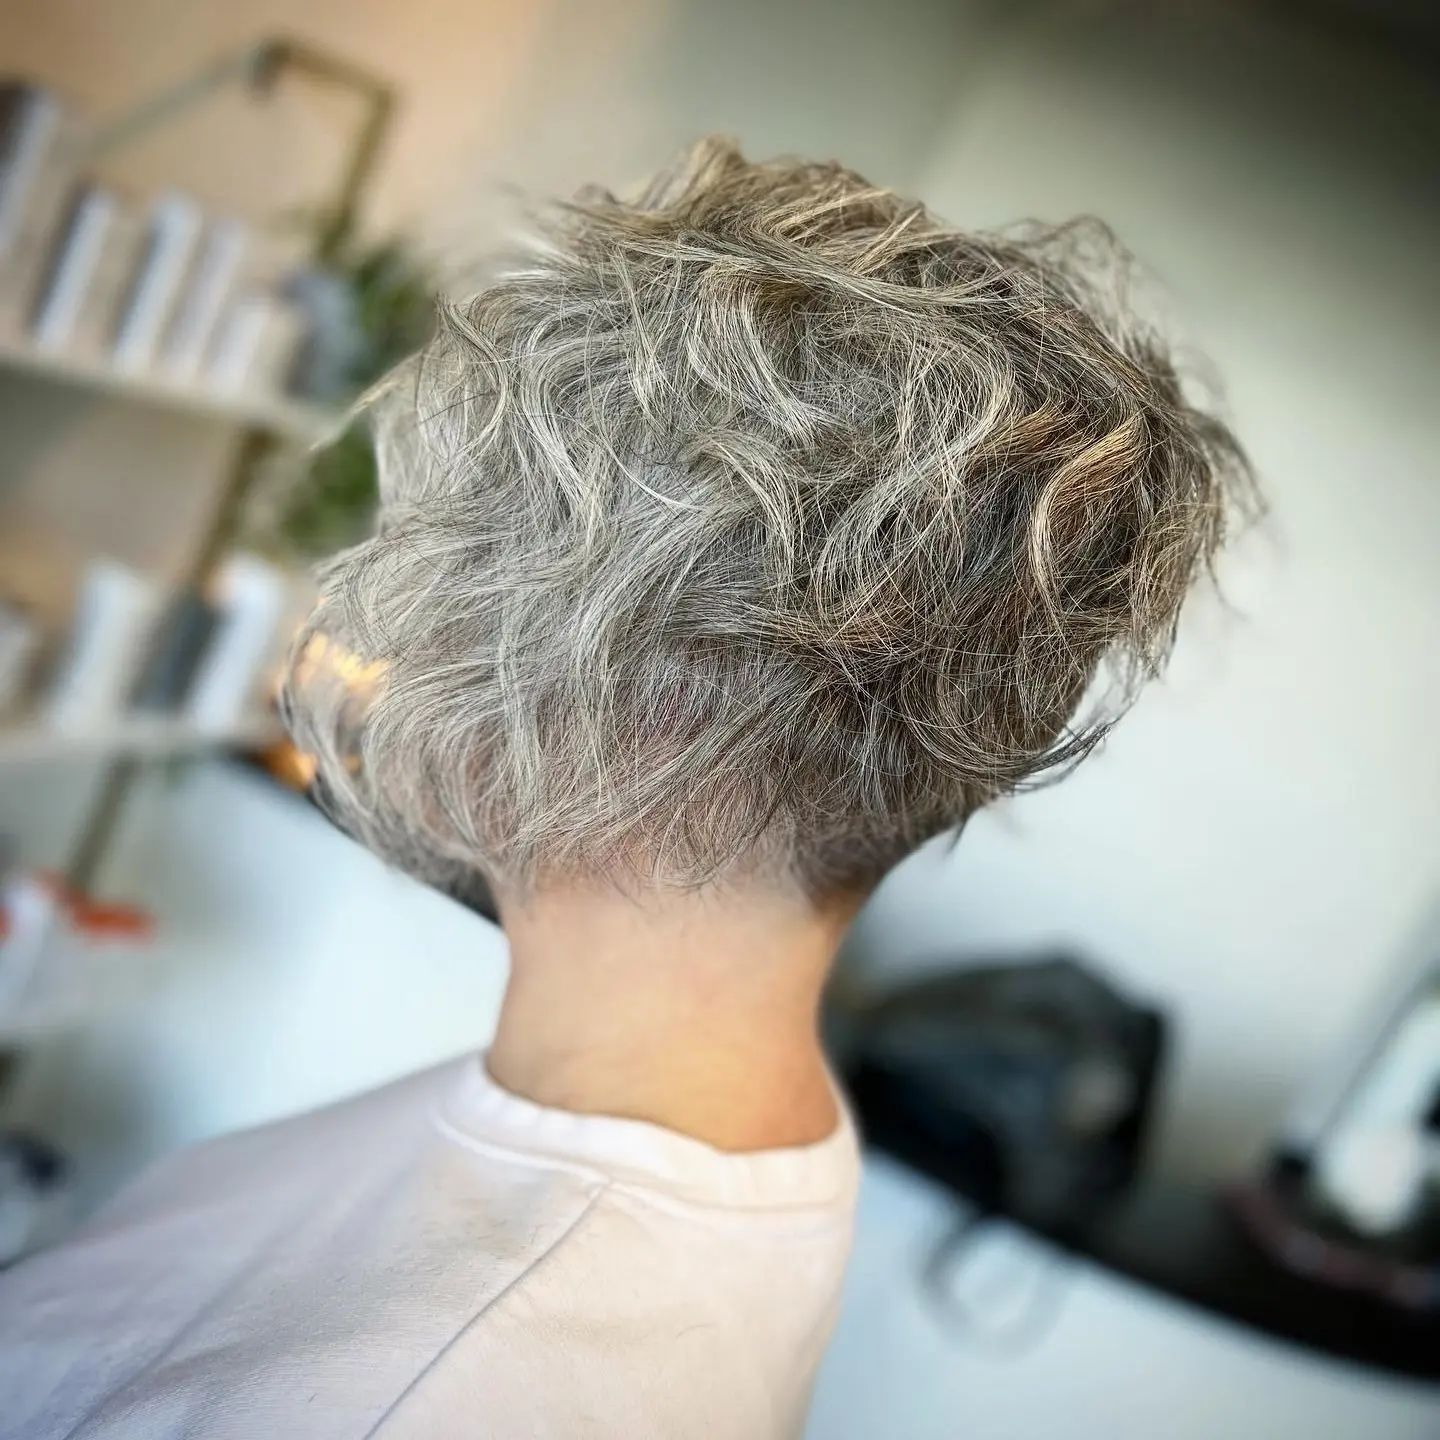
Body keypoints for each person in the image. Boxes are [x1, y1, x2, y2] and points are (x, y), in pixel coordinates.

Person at [0, 138, 1248, 1438]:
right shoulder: (744, 1149)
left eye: (465, 568)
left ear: (631, 709)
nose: (401, 635)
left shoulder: (439, 1390)